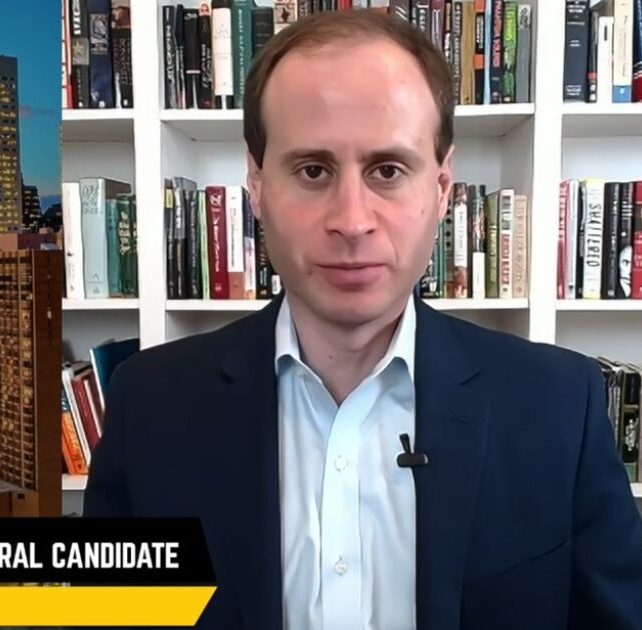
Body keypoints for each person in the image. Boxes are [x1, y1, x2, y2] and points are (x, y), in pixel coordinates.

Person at [83, 10, 642, 630]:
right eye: (313, 170)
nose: (352, 220)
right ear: (257, 186)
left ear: (443, 188)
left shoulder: (559, 405)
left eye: (388, 171)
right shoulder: (148, 404)